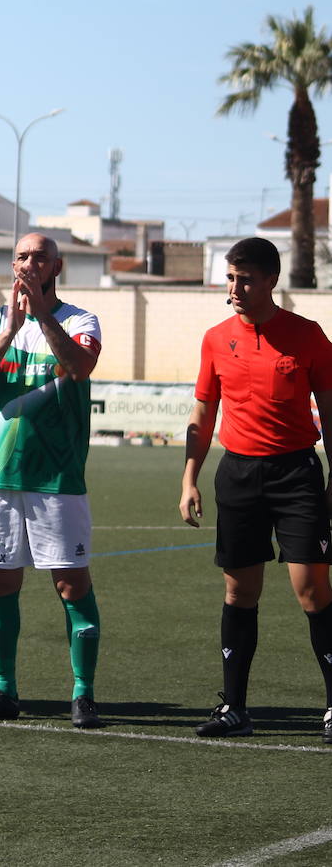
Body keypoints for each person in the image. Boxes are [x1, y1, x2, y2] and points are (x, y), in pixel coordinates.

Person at [179, 237, 332, 741]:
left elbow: (330, 416)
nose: (235, 288)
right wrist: (189, 478)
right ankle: (235, 710)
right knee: (239, 592)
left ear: (271, 280)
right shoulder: (216, 338)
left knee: (311, 589)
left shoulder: (309, 337)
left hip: (296, 476)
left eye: (245, 279)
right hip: (238, 476)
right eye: (230, 278)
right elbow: (203, 414)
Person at [0, 233, 105, 730]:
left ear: (56, 267)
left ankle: (83, 695)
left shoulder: (80, 320)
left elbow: (79, 368)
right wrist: (10, 330)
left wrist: (42, 317)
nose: (27, 263)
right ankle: (3, 690)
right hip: (0, 475)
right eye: (21, 256)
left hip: (58, 477)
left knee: (70, 583)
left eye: (38, 257)